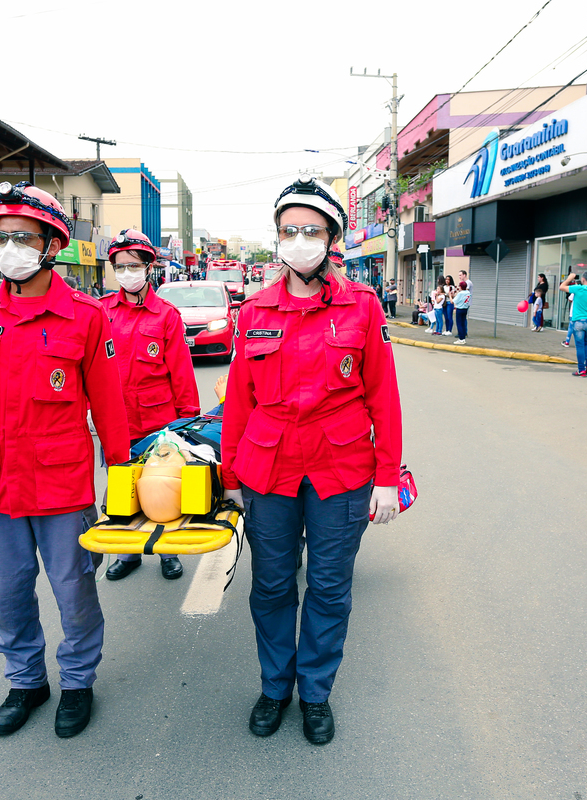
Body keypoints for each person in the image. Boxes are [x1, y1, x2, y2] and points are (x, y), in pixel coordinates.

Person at [0, 180, 131, 740]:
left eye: (22, 237)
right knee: (10, 593)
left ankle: (78, 682)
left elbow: (108, 405)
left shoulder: (85, 317)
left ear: (52, 245)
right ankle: (26, 682)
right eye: (2, 238)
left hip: (62, 485)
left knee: (74, 591)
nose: (9, 248)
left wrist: (122, 480)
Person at [221, 174, 402, 745]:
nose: (298, 240)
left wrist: (387, 477)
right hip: (268, 470)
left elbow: (384, 397)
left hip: (340, 471)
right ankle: (275, 687)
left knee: (328, 588)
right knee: (272, 586)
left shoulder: (362, 307)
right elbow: (239, 399)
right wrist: (229, 475)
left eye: (311, 230)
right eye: (288, 230)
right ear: (277, 238)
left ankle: (315, 693)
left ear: (332, 238)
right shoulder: (254, 311)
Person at [100, 229, 201, 581]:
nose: (126, 272)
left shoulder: (166, 315)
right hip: (116, 422)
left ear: (148, 267)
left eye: (133, 265)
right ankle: (128, 553)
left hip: (159, 423)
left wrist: (187, 424)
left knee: (163, 489)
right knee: (122, 490)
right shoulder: (102, 312)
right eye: (119, 266)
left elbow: (182, 373)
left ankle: (168, 552)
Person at [559, 271, 587, 376]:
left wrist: (570, 278)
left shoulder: (578, 288)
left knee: (580, 346)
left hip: (578, 321)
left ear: (583, 279)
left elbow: (561, 287)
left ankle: (581, 369)